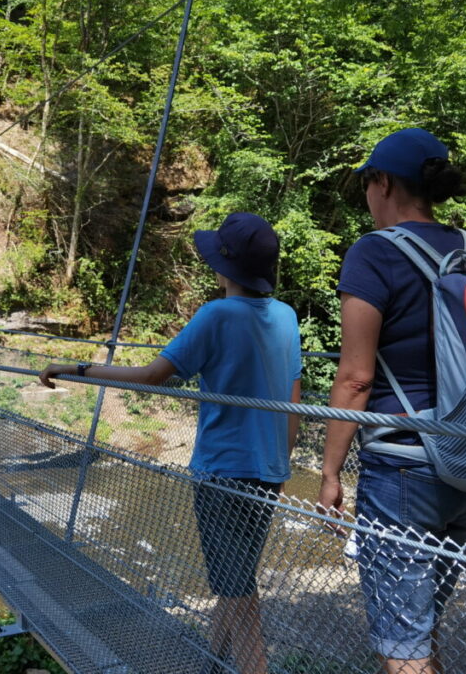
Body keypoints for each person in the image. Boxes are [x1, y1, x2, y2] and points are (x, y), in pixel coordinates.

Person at [40, 212, 302, 674]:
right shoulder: (285, 316)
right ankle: (208, 660)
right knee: (234, 579)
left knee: (239, 592)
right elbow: (294, 400)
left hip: (222, 473)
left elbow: (151, 376)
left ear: (225, 267)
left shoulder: (217, 314)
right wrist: (282, 458)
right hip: (270, 472)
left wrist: (74, 368)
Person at [317, 128, 466, 674]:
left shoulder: (374, 253)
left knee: (402, 646)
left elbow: (354, 378)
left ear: (383, 183)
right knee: (422, 627)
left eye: (366, 185)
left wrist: (329, 473)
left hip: (405, 470)